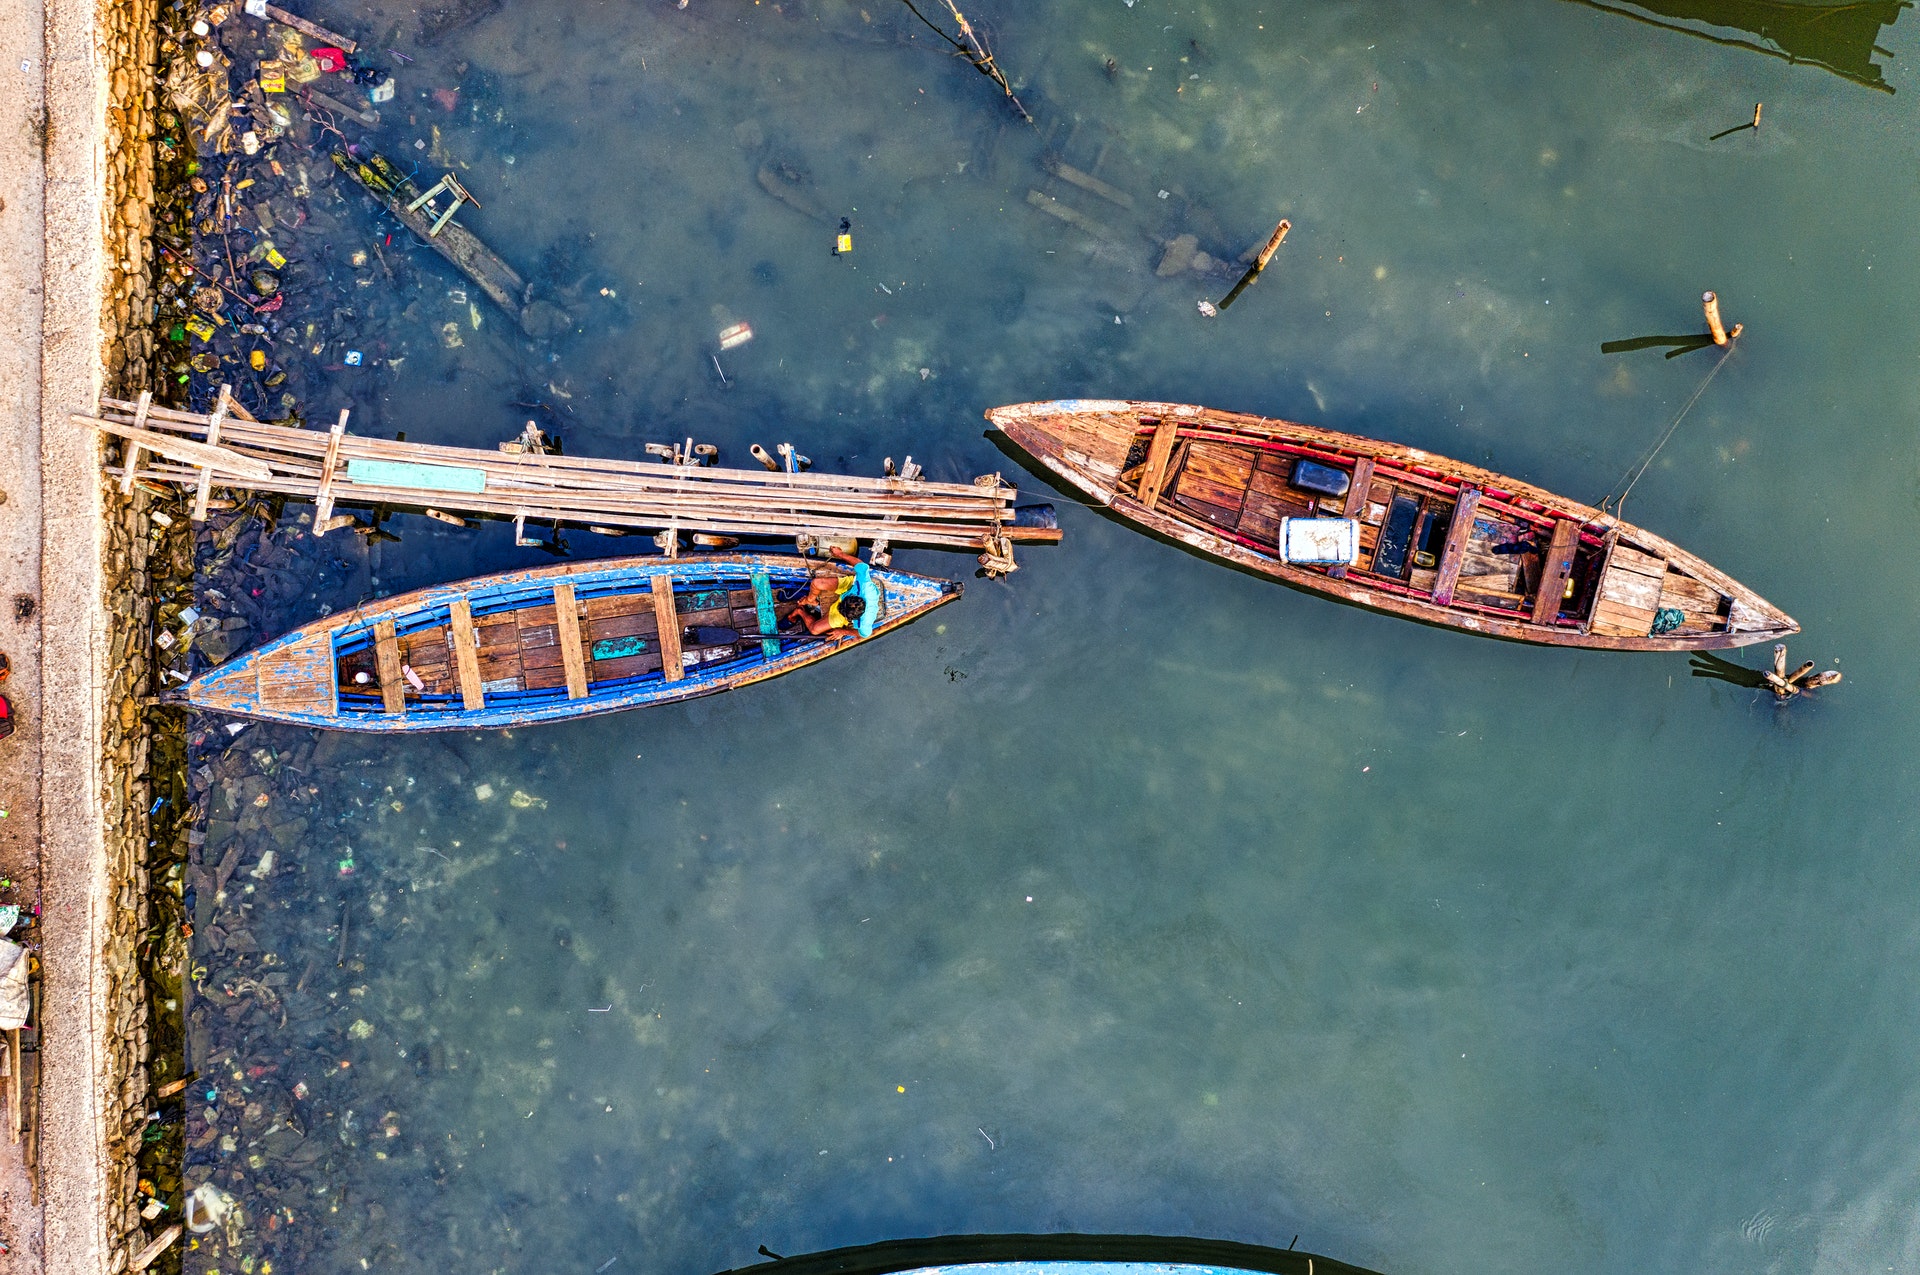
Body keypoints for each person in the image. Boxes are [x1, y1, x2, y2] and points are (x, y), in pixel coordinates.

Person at [795, 548, 874, 641]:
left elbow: (865, 635)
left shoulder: (864, 622)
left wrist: (843, 631)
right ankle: (810, 600)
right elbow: (861, 565)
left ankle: (800, 611)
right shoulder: (864, 585)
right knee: (816, 583)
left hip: (851, 597)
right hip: (851, 587)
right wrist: (840, 553)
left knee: (814, 629)